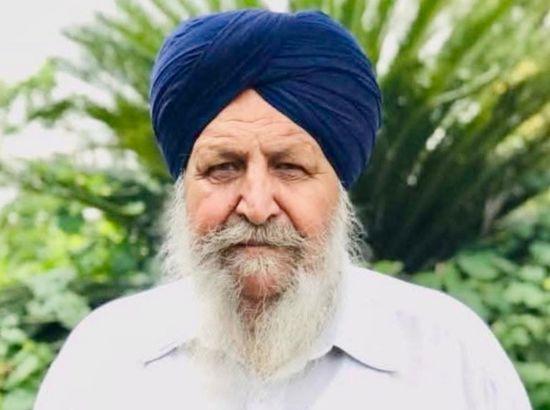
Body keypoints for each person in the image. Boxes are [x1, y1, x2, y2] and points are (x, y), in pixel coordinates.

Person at [34, 8, 531, 410]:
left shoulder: (448, 354)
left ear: (339, 188)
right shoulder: (104, 360)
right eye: (223, 168)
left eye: (290, 167)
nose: (256, 206)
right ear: (184, 189)